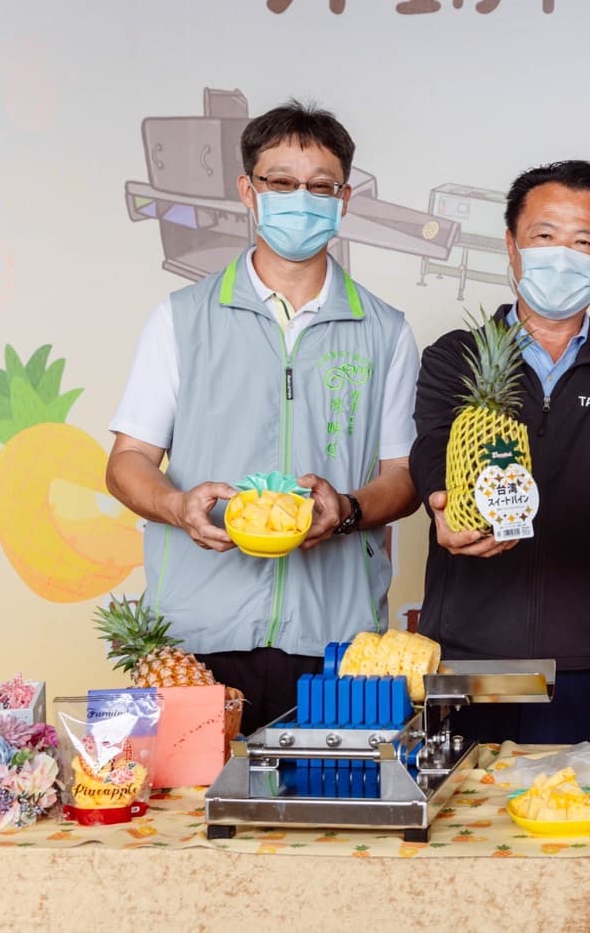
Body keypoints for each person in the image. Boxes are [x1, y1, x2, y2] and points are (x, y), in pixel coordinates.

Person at [106, 100, 420, 734]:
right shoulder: (181, 318)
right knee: (191, 826)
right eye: (280, 182)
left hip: (337, 642)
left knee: (333, 819)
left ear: (344, 199)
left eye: (319, 185)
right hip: (195, 635)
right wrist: (177, 506)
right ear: (248, 191)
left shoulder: (386, 331)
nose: (299, 198)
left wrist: (347, 510)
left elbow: (405, 475)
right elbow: (127, 463)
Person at [410, 160, 590, 746]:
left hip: (586, 655)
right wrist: (443, 505)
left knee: (570, 813)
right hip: (466, 651)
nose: (562, 256)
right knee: (462, 825)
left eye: (584, 242)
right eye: (544, 236)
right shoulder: (455, 357)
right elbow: (433, 447)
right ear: (511, 246)